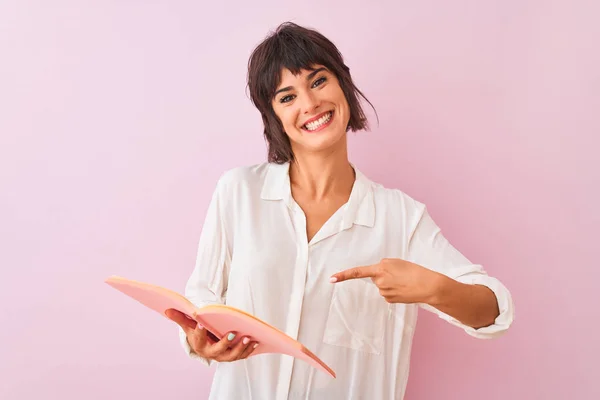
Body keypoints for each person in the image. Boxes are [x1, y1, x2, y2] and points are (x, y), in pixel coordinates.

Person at [166, 22, 514, 399]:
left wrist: (434, 288)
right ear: (274, 117)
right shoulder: (239, 192)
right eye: (287, 97)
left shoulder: (400, 217)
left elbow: (493, 311)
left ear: (343, 85)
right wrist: (200, 341)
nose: (309, 104)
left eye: (318, 82)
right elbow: (202, 298)